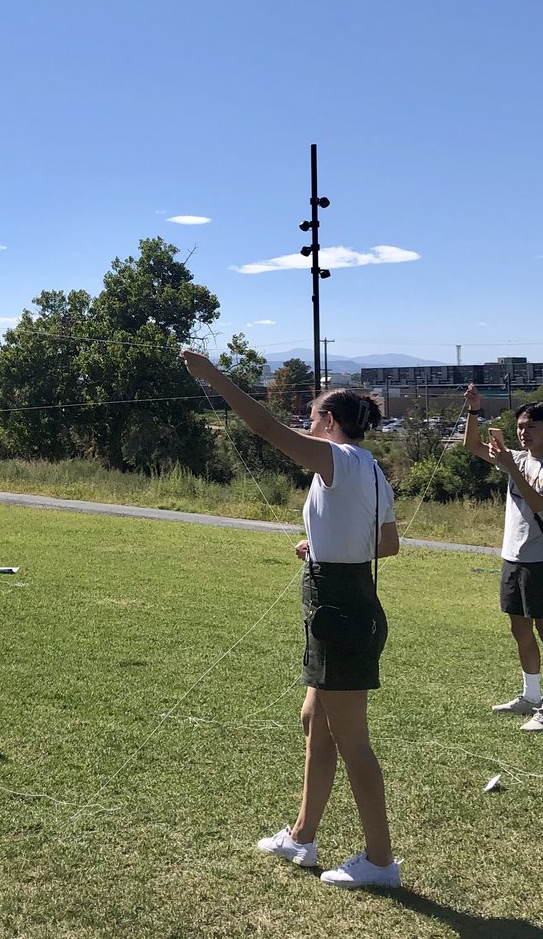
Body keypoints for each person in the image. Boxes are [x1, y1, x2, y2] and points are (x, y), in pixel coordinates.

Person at [182, 350, 401, 889]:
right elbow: (387, 545)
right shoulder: (369, 469)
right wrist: (324, 546)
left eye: (313, 415)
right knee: (314, 720)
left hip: (340, 607)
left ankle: (380, 862)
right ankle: (303, 837)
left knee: (354, 741)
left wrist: (213, 378)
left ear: (331, 422)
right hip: (347, 596)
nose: (306, 423)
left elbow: (262, 425)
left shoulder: (340, 459)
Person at [463, 385, 543, 731]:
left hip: (542, 562)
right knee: (519, 629)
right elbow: (472, 446)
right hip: (512, 557)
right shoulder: (519, 458)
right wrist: (473, 411)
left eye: (530, 427)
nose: (523, 432)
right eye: (520, 427)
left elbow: (540, 502)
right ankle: (529, 696)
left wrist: (511, 467)